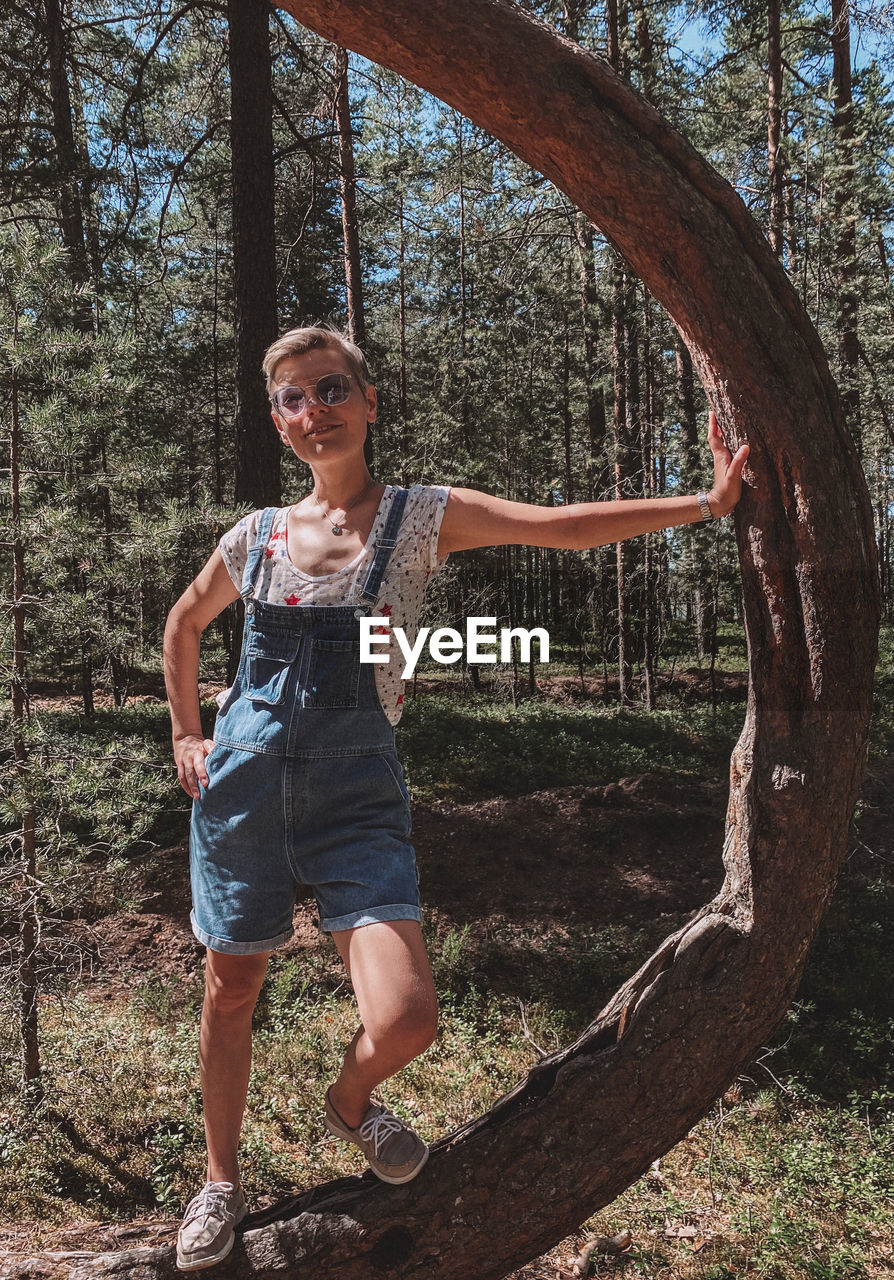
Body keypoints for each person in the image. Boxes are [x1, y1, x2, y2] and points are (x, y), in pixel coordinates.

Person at [163, 324, 748, 1269]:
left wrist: (705, 504)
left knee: (406, 1018)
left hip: (356, 795)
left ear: (368, 402)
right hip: (243, 789)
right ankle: (220, 1183)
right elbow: (183, 625)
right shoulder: (257, 537)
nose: (315, 411)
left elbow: (557, 523)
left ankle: (348, 1101)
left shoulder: (422, 517)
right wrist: (188, 734)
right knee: (231, 990)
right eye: (293, 400)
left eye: (330, 389)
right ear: (279, 424)